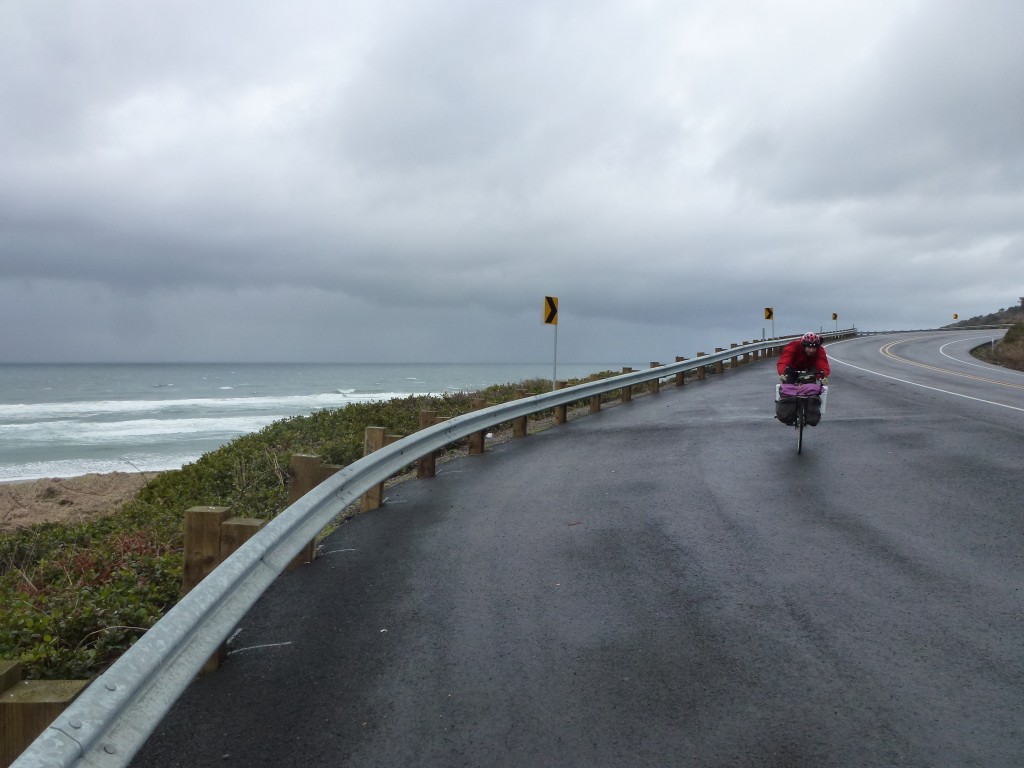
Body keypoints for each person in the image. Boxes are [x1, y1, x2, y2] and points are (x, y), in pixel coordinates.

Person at [775, 332, 830, 425]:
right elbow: (784, 360)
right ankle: (789, 413)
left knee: (811, 392)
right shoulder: (794, 346)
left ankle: (809, 415)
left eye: (814, 348)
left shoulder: (820, 350)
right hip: (792, 368)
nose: (812, 350)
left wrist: (822, 376)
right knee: (787, 390)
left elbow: (822, 363)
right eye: (809, 347)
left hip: (809, 369)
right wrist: (782, 373)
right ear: (803, 345)